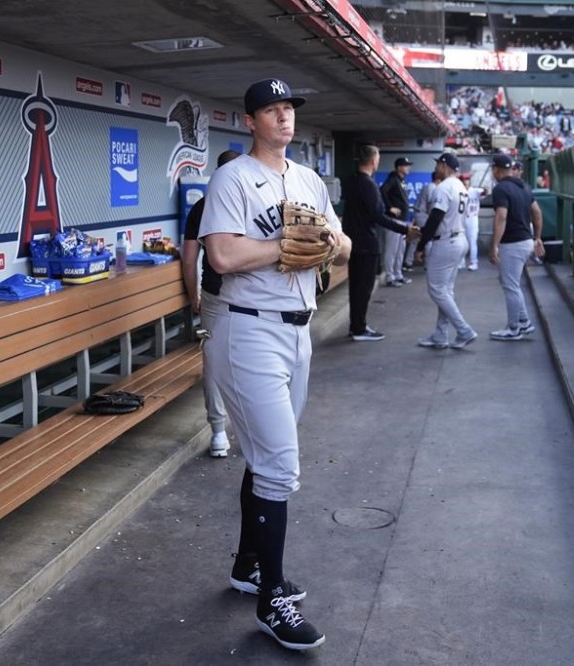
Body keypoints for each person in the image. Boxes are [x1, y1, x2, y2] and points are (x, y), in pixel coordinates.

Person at [200, 77, 351, 652]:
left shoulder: (308, 179)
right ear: (251, 121)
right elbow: (223, 255)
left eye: (289, 108)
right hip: (247, 329)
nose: (284, 117)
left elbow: (345, 245)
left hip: (297, 329)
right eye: (272, 109)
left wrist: (324, 244)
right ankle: (271, 605)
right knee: (281, 466)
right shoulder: (233, 177)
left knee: (265, 458)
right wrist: (288, 246)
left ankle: (248, 567)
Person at [181, 149, 241, 457]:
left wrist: (195, 296)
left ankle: (219, 433)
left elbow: (189, 261)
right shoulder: (252, 201)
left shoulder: (202, 206)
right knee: (253, 364)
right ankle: (249, 431)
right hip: (249, 298)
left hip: (215, 296)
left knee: (214, 363)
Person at [341, 144, 420, 341]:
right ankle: (359, 328)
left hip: (353, 242)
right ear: (374, 161)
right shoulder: (368, 184)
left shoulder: (351, 180)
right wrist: (405, 229)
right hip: (366, 243)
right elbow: (379, 216)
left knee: (357, 288)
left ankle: (356, 326)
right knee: (363, 288)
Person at [413, 153, 478, 349]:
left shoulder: (444, 187)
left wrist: (420, 245)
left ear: (444, 165)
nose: (437, 167)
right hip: (459, 238)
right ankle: (440, 335)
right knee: (445, 291)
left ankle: (464, 330)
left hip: (445, 241)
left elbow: (435, 219)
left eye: (439, 164)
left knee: (438, 291)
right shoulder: (459, 185)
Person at [488, 154, 545, 341]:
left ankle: (514, 328)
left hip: (512, 243)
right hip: (526, 240)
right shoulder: (524, 186)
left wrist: (494, 245)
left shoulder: (501, 189)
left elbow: (501, 217)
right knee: (511, 283)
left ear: (496, 170)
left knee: (510, 285)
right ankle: (524, 321)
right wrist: (537, 237)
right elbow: (537, 213)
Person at [380, 157, 413, 287]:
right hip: (394, 221)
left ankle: (398, 274)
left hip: (403, 221)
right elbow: (382, 191)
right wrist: (389, 207)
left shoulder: (401, 180)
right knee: (392, 250)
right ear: (399, 167)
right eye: (406, 165)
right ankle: (389, 277)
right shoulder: (393, 179)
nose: (408, 167)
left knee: (400, 250)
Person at [405, 171, 441, 269]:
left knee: (416, 239)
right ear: (438, 179)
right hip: (423, 215)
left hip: (420, 214)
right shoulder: (432, 187)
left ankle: (408, 262)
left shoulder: (429, 186)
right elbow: (431, 204)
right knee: (428, 239)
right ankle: (428, 264)